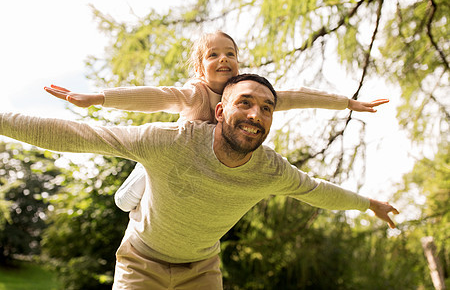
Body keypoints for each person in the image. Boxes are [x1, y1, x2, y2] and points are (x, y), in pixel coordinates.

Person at [1, 73, 398, 289]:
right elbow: (80, 135)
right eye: (245, 103)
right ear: (221, 109)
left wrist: (368, 204)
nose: (256, 115)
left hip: (203, 272)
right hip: (141, 264)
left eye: (266, 109)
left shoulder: (271, 169)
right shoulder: (169, 141)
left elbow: (318, 191)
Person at [44, 31, 389, 212]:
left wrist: (348, 103)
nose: (224, 58)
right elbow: (152, 96)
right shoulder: (194, 95)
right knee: (125, 200)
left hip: (203, 170)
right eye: (213, 54)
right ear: (199, 68)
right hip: (168, 160)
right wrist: (98, 98)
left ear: (238, 62)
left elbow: (299, 95)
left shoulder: (249, 99)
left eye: (231, 53)